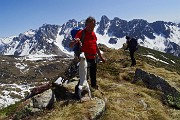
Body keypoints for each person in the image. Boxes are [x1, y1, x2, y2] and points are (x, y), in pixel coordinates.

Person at [69, 16, 105, 89]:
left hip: (93, 57)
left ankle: (94, 86)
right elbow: (70, 45)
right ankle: (78, 91)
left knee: (93, 73)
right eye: (90, 26)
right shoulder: (81, 33)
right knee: (84, 76)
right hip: (85, 59)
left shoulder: (93, 34)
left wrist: (101, 57)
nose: (92, 27)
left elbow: (96, 46)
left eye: (93, 26)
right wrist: (74, 42)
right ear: (86, 25)